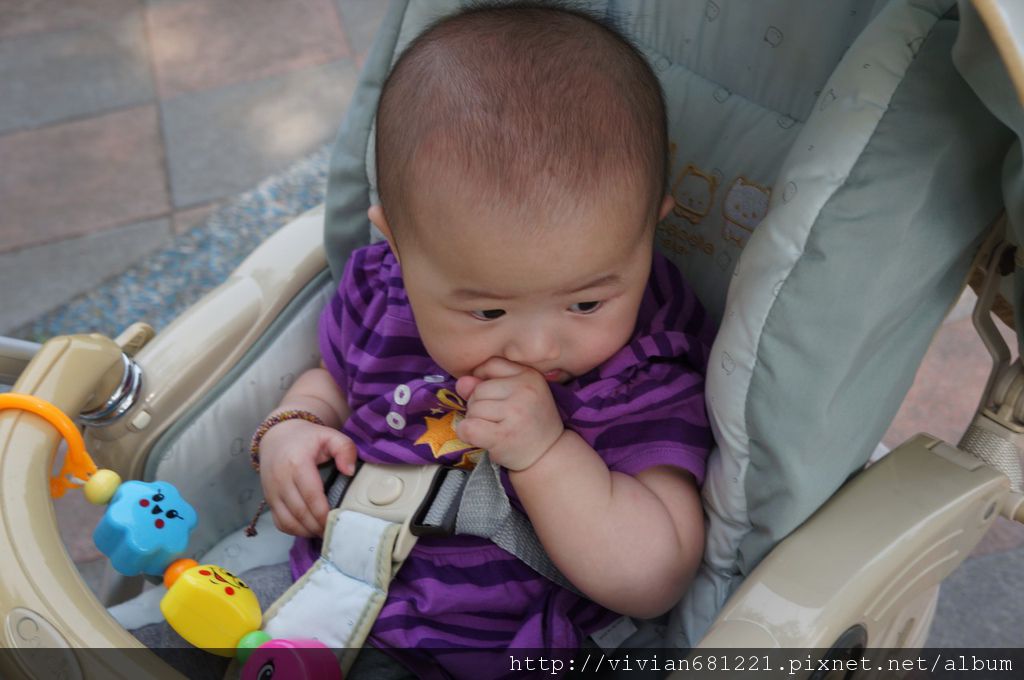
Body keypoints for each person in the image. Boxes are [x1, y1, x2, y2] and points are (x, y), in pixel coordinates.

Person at [136, 3, 715, 678]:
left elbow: (655, 576)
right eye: (488, 311)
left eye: (587, 302)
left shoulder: (643, 370)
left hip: (494, 645)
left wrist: (546, 454)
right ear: (398, 246)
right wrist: (294, 426)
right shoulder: (386, 294)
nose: (536, 346)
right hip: (321, 588)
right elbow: (332, 378)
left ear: (649, 232)